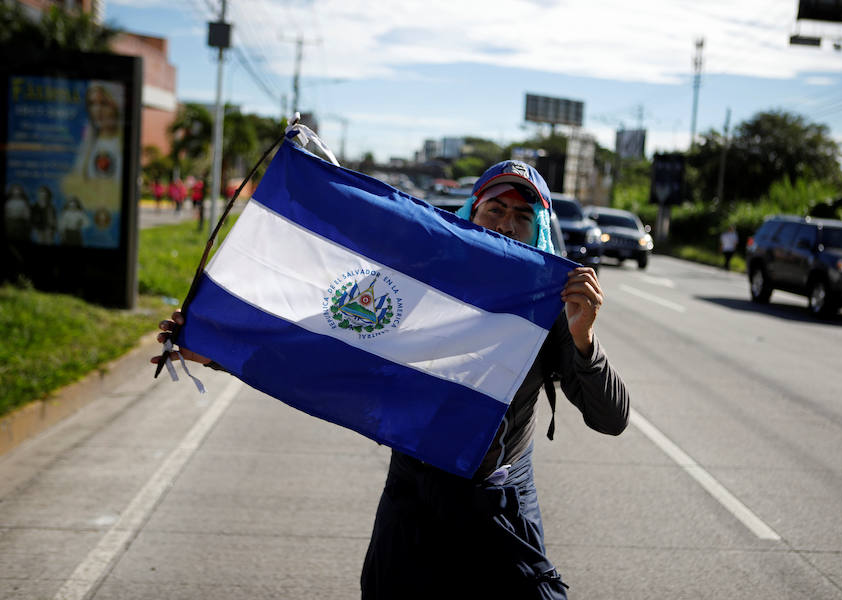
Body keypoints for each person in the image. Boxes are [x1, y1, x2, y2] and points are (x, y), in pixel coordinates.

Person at [152, 160, 630, 599]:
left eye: (522, 217)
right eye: (496, 209)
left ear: (539, 229)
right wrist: (217, 348)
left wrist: (584, 338)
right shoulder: (425, 283)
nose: (506, 224)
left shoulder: (551, 309)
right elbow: (329, 345)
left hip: (498, 500)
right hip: (414, 494)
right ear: (471, 214)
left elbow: (611, 419)